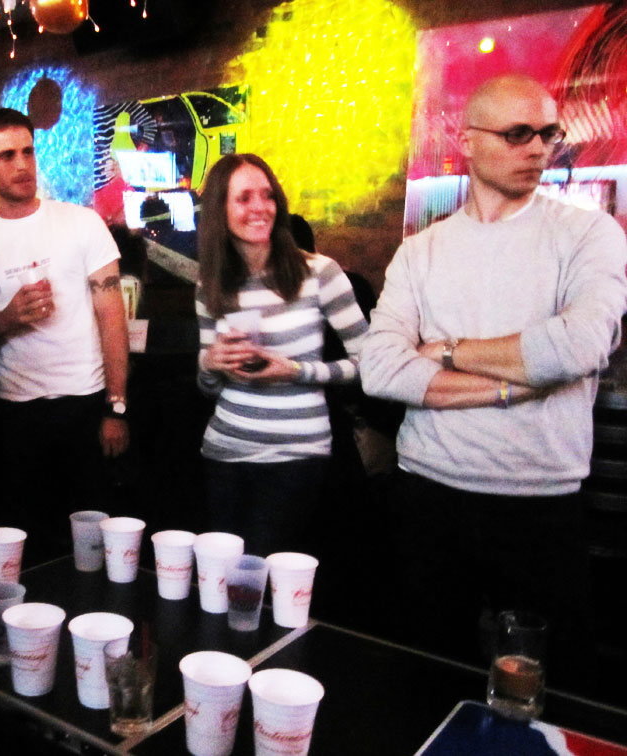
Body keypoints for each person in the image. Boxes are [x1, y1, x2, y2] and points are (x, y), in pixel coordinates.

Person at [359, 74, 627, 683]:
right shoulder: (421, 251)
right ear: (468, 142)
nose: (537, 148)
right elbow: (381, 368)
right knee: (426, 678)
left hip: (541, 503)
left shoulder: (588, 233)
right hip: (427, 492)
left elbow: (579, 344)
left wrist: (449, 351)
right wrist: (515, 385)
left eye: (548, 134)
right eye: (517, 133)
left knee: (554, 689)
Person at [0, 107, 129, 561]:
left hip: (85, 403)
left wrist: (116, 406)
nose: (22, 164)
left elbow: (112, 316)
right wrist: (7, 319)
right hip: (16, 416)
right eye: (6, 155)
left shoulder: (80, 222)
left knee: (94, 544)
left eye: (27, 152)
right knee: (27, 547)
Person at [195, 154, 368, 557]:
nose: (260, 207)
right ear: (220, 210)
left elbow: (371, 365)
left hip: (297, 454)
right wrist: (210, 363)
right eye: (244, 198)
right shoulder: (211, 283)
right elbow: (208, 387)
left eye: (267, 195)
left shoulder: (319, 272)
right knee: (220, 571)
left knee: (262, 570)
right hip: (224, 449)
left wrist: (294, 371)